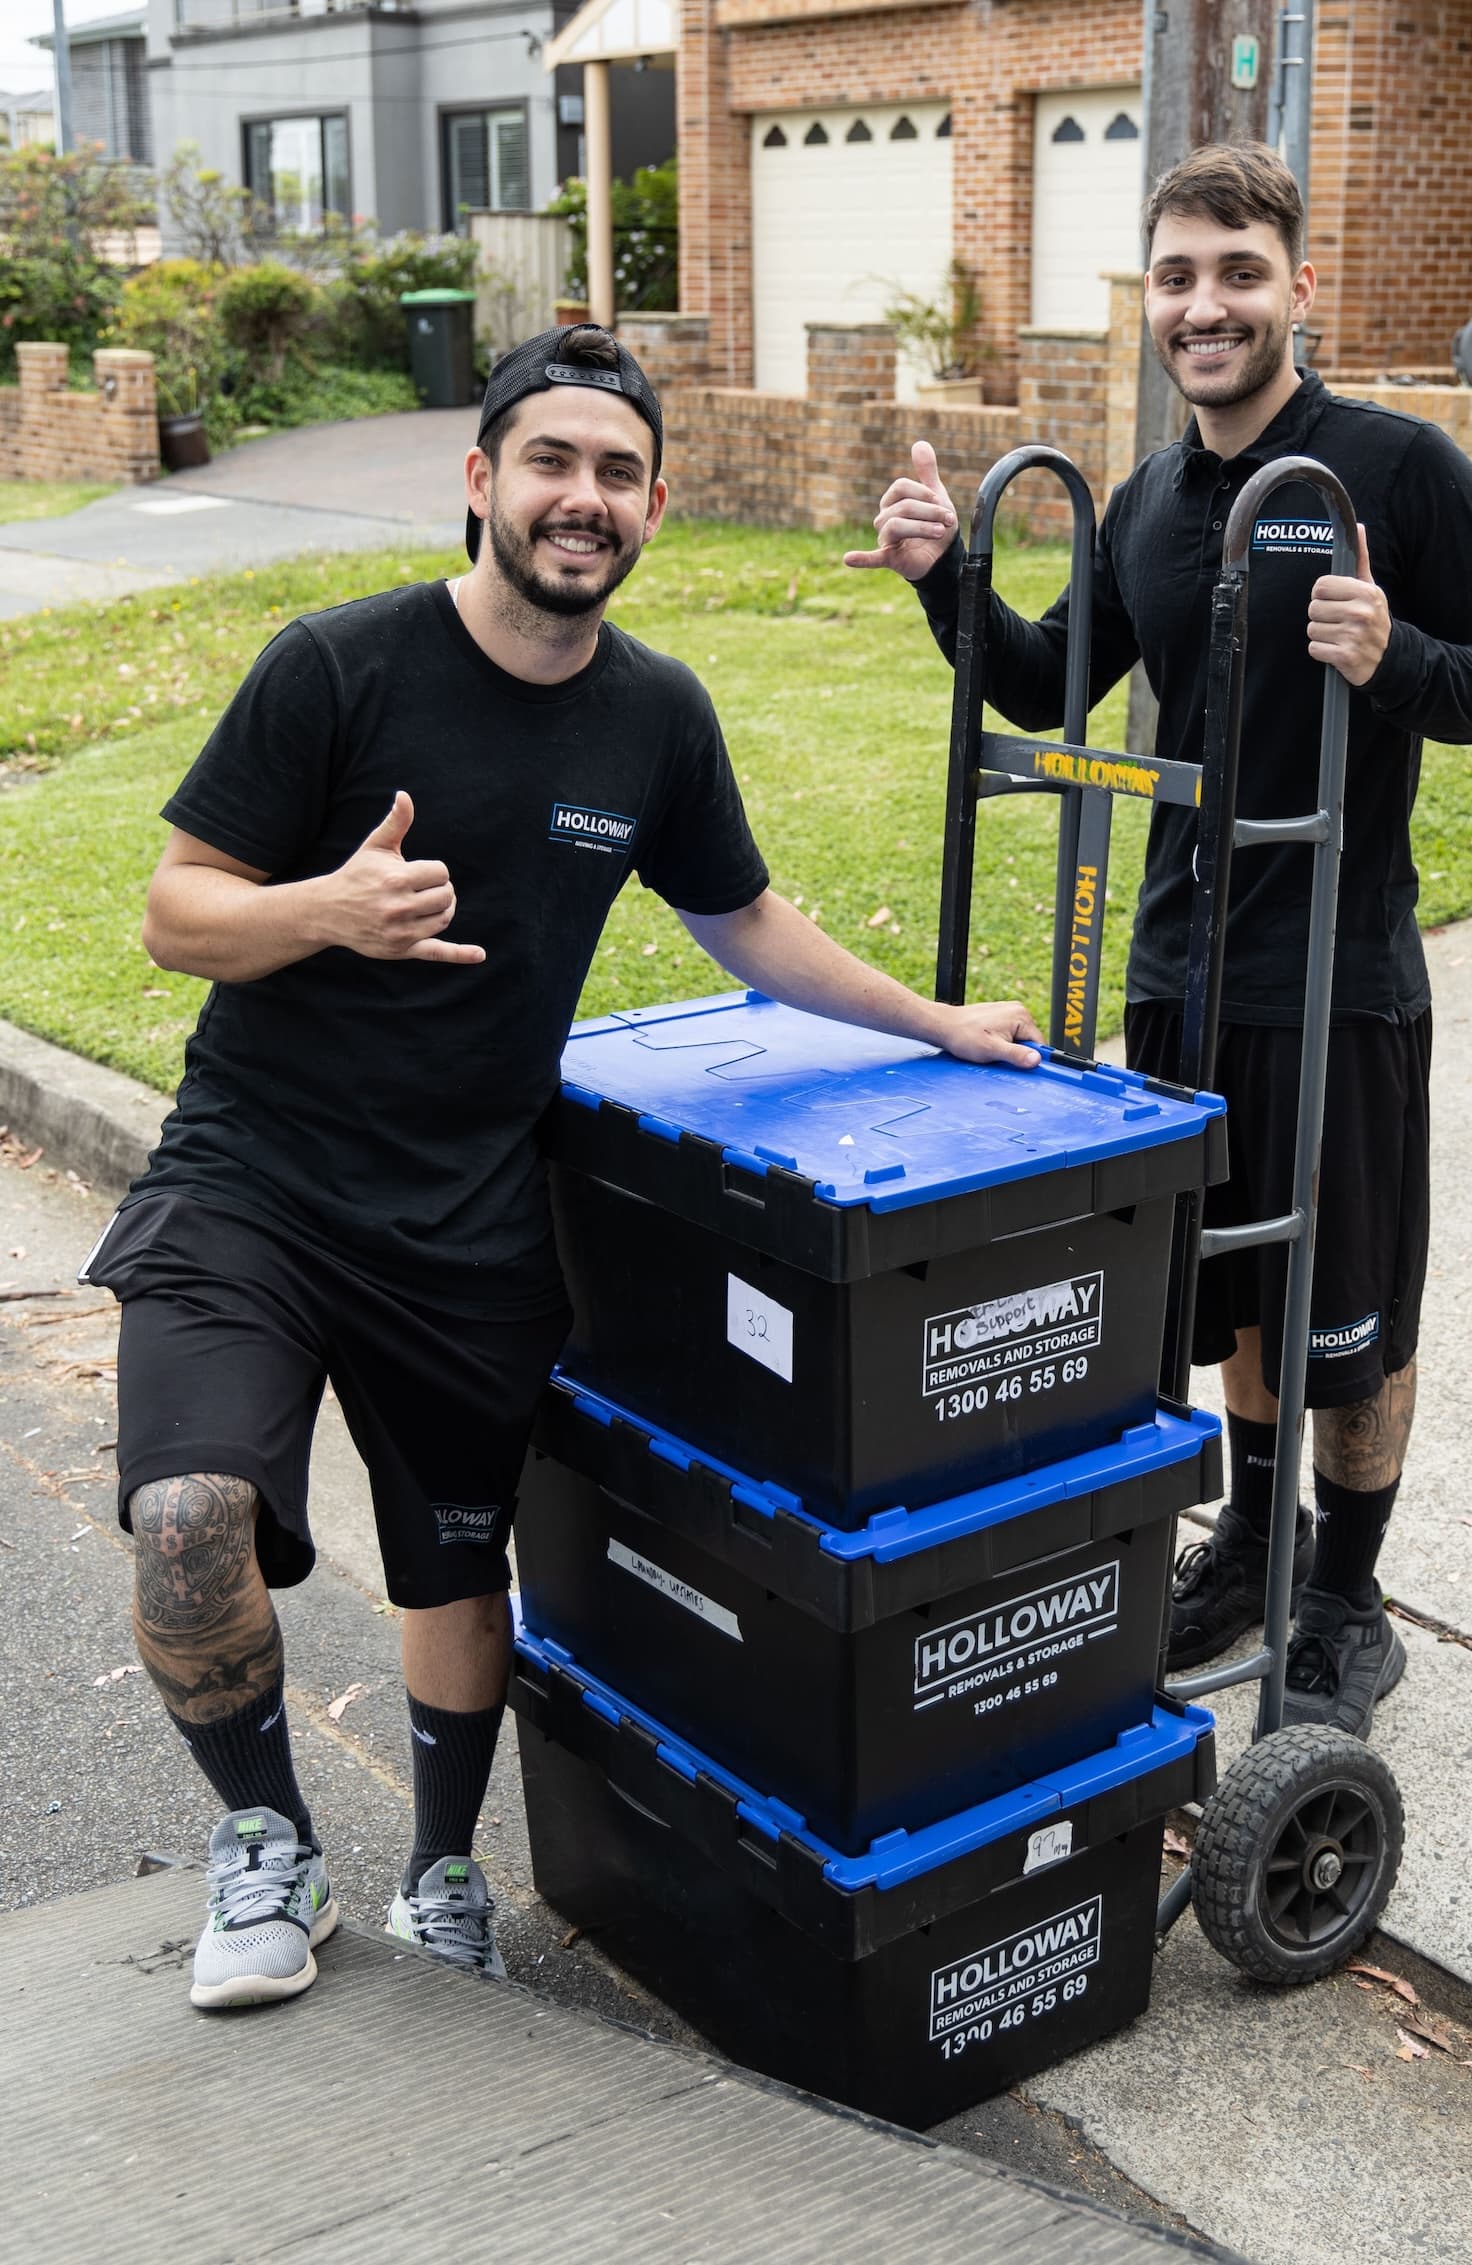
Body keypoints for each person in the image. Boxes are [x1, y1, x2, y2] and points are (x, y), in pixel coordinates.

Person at [84, 322, 1044, 2011]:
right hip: (255, 1181)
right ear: (481, 481)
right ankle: (271, 1845)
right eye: (550, 461)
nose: (580, 498)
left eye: (615, 471)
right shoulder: (336, 668)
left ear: (656, 504)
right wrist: (326, 911)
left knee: (463, 1570)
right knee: (182, 1521)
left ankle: (443, 1864)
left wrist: (938, 1022)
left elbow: (744, 921)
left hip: (465, 1219)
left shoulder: (656, 716)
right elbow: (176, 911)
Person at [846, 142, 1472, 1738]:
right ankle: (1253, 1534)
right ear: (1150, 301)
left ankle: (1349, 1599)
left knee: (1348, 1324)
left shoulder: (1398, 470)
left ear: (1299, 287)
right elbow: (1047, 684)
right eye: (1177, 276)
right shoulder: (1156, 495)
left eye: (1238, 272)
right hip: (1173, 974)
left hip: (1336, 985)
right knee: (1222, 1308)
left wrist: (1399, 657)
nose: (1205, 304)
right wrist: (944, 573)